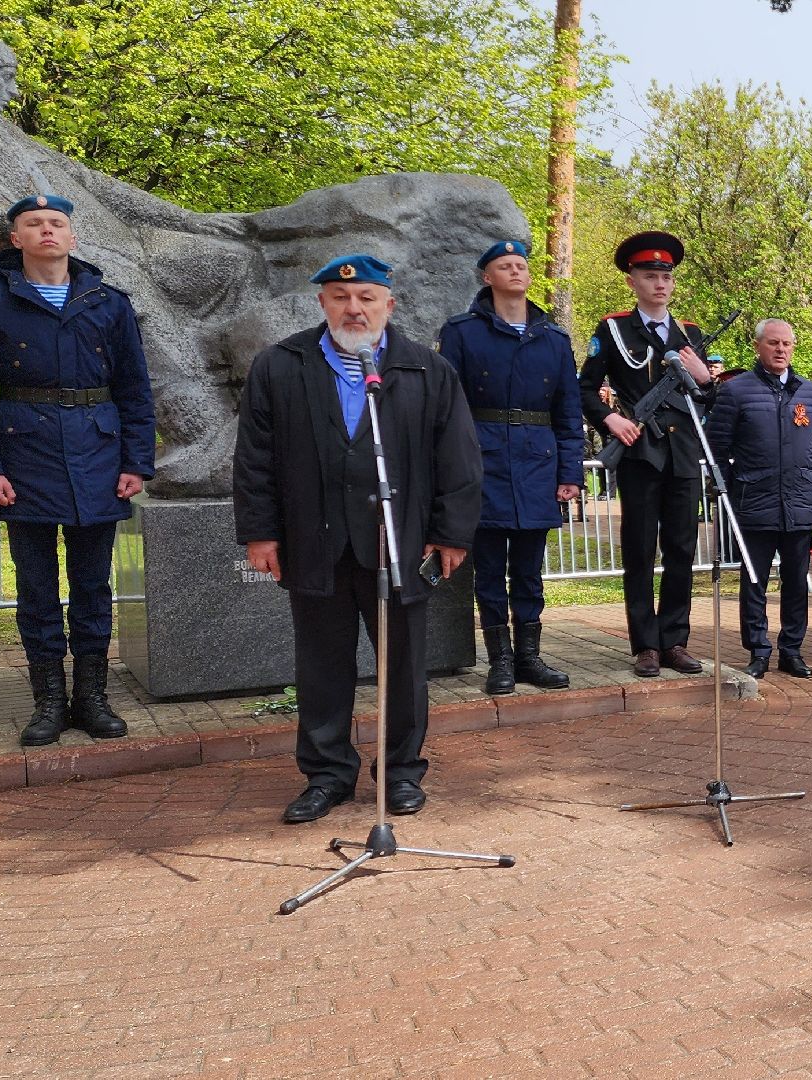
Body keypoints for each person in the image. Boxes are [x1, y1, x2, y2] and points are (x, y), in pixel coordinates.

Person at [233, 254, 479, 825]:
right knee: (321, 665)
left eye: (367, 297)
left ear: (389, 305)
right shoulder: (280, 365)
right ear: (322, 302)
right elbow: (255, 458)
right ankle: (327, 775)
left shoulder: (426, 370)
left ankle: (399, 774)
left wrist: (450, 531)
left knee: (403, 664)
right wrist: (260, 532)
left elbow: (459, 457)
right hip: (313, 543)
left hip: (399, 544)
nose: (354, 308)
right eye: (341, 297)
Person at [0, 194, 153, 747]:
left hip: (96, 455)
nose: (47, 231)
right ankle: (48, 702)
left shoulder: (109, 303)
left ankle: (92, 698)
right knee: (35, 589)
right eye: (33, 224)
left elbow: (133, 389)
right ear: (16, 239)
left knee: (92, 585)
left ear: (72, 236)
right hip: (23, 456)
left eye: (57, 223)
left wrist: (135, 461)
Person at [437, 240, 581, 697]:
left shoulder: (554, 339)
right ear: (487, 277)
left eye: (521, 265)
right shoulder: (461, 332)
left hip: (537, 462)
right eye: (505, 265)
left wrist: (570, 472)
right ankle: (499, 661)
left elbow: (568, 410)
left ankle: (529, 658)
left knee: (529, 569)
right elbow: (447, 407)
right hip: (484, 460)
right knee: (489, 569)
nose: (516, 271)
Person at [577, 231, 718, 678]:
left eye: (666, 276)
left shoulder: (690, 333)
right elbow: (584, 388)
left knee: (681, 550)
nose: (660, 283)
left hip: (681, 454)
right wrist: (609, 421)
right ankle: (645, 645)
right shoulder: (614, 329)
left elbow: (708, 400)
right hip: (639, 452)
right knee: (639, 550)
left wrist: (707, 380)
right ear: (632, 281)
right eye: (650, 275)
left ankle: (675, 640)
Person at [707, 318, 812, 680]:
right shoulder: (736, 392)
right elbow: (716, 451)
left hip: (799, 502)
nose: (780, 350)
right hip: (753, 502)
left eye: (787, 344)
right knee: (754, 582)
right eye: (773, 343)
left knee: (796, 582)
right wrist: (729, 493)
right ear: (758, 346)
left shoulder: (809, 394)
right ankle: (758, 650)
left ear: (794, 347)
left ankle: (791, 650)